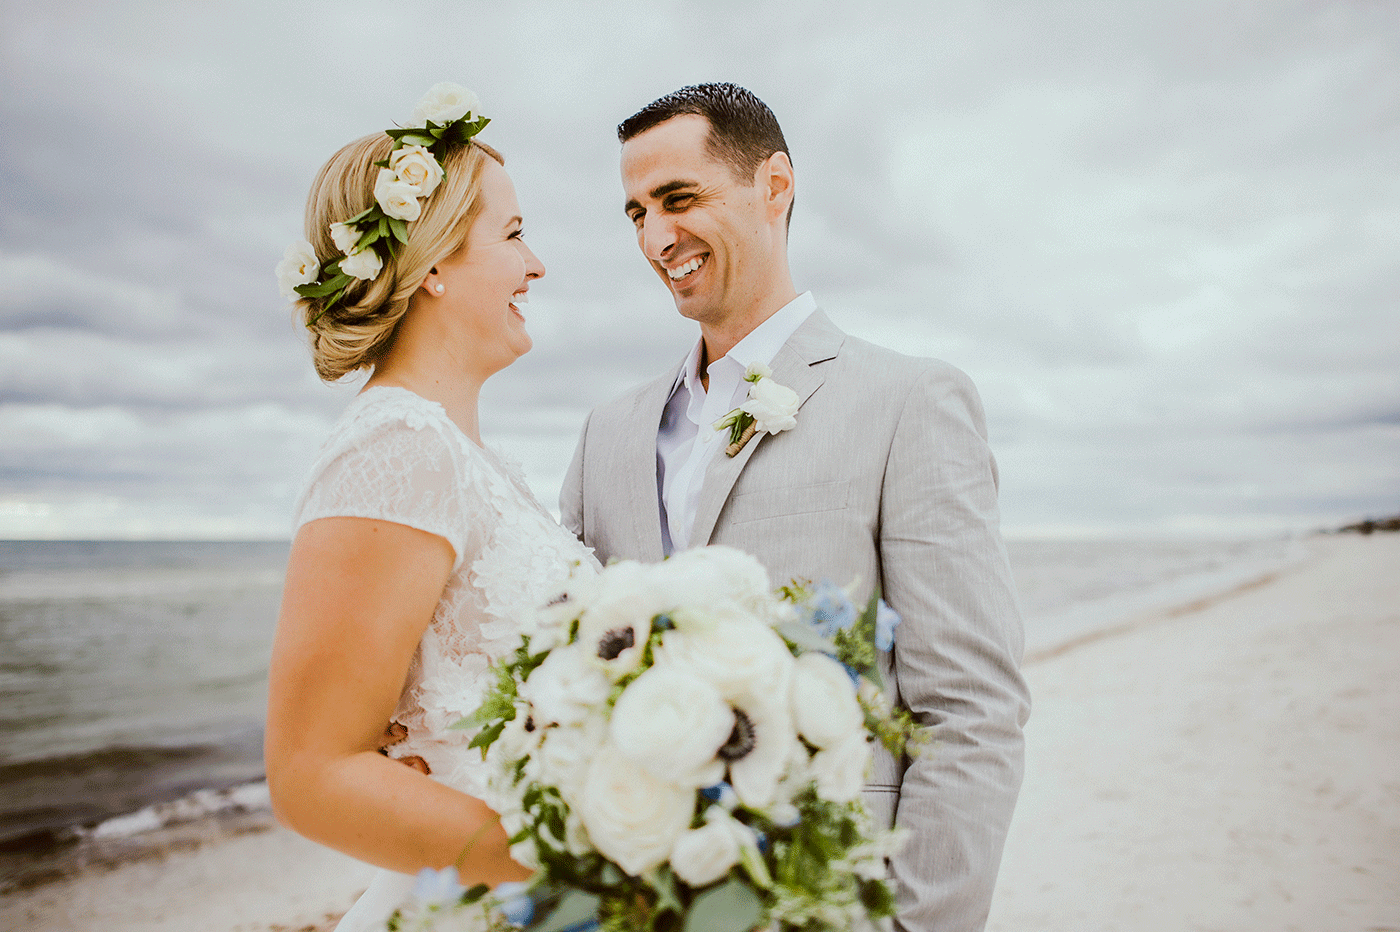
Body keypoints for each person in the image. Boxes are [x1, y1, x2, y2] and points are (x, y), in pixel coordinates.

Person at [561, 83, 1031, 931]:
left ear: (774, 185)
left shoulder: (910, 402)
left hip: (835, 901)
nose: (655, 237)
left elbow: (970, 710)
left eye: (679, 199)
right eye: (634, 213)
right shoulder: (606, 434)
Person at [265, 86, 596, 932]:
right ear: (437, 262)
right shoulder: (397, 448)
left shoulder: (469, 461)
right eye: (516, 235)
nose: (538, 265)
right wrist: (580, 873)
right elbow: (312, 771)